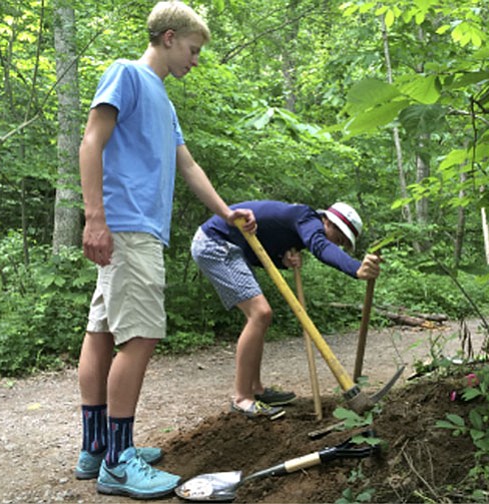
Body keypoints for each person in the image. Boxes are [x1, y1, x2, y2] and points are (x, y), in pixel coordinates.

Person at [74, 1, 256, 500]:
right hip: (127, 226)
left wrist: (227, 212)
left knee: (102, 330)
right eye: (194, 50)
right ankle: (118, 461)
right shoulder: (127, 74)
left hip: (137, 230)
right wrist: (95, 218)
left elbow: (189, 167)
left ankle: (97, 447)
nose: (196, 61)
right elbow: (91, 142)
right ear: (170, 37)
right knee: (142, 336)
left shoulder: (164, 101)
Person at [190, 200, 381, 420]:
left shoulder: (297, 226)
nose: (335, 245)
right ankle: (242, 398)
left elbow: (256, 246)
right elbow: (319, 245)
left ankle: (256, 389)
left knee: (259, 316)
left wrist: (282, 259)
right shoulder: (307, 217)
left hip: (231, 246)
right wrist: (355, 267)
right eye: (337, 239)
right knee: (260, 313)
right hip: (215, 243)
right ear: (327, 221)